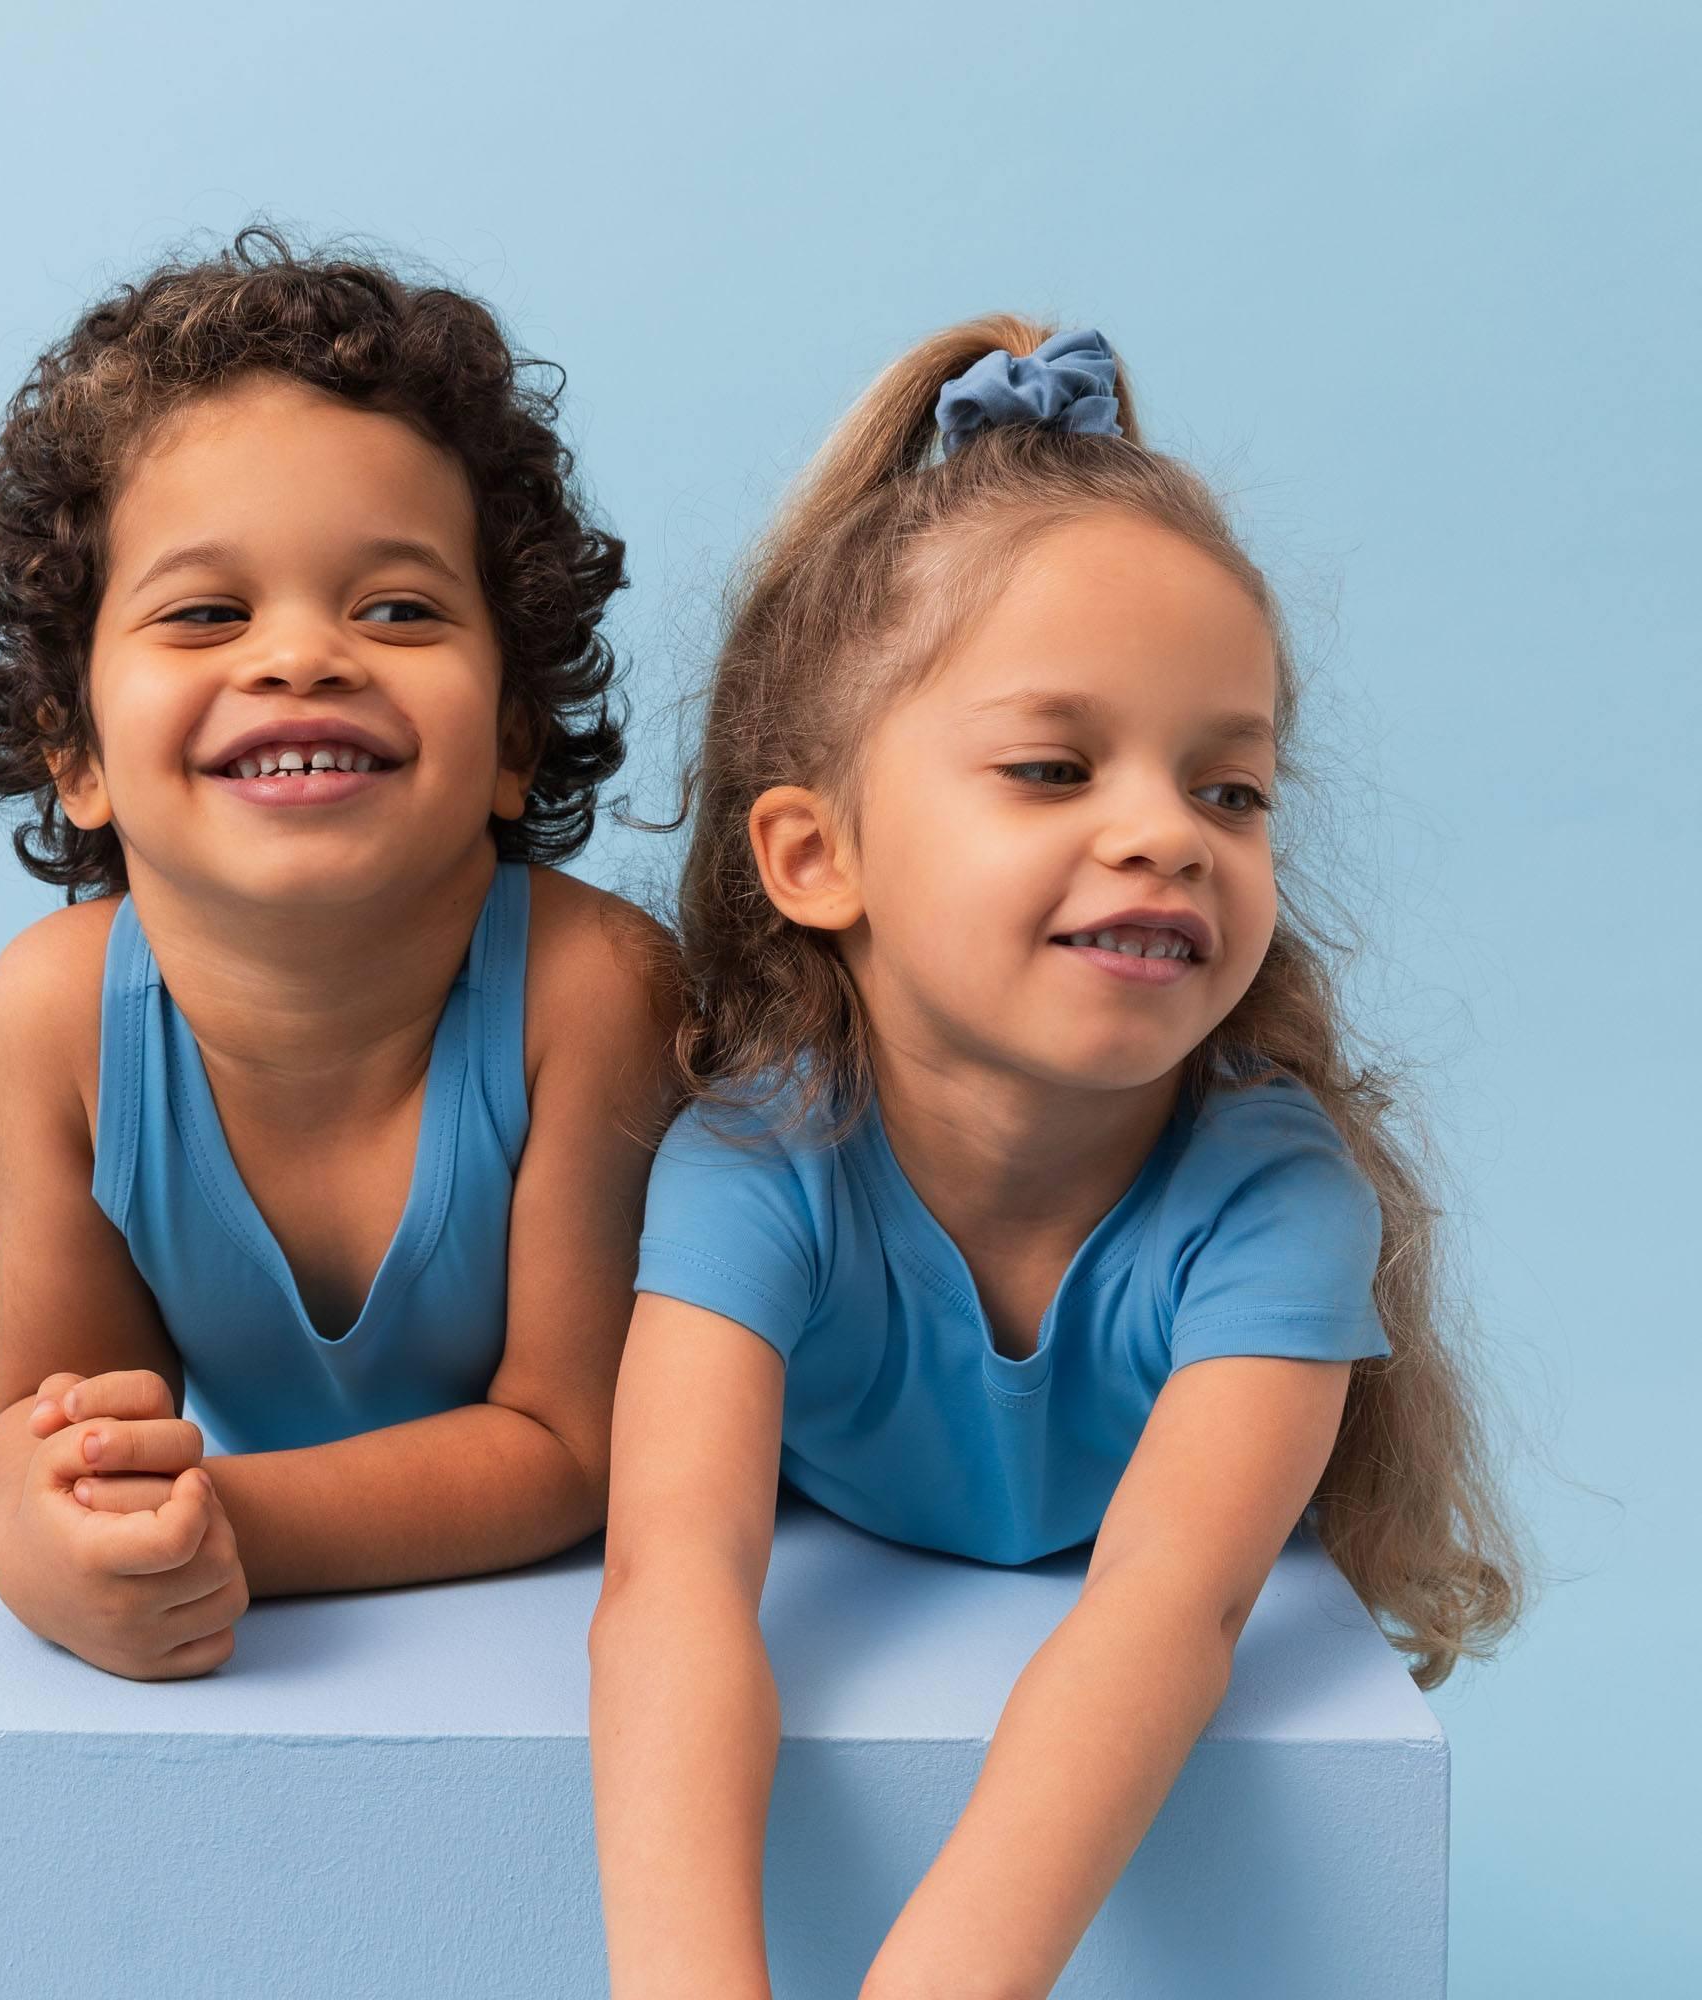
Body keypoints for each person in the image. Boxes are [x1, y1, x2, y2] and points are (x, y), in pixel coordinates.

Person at [588, 320, 1528, 1997]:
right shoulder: (755, 1162)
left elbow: (1162, 1618)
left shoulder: (1272, 1199)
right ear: (818, 853)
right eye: (1053, 768)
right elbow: (676, 1578)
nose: (1168, 830)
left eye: (1230, 790)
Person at [0, 227, 673, 1681]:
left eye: (396, 609)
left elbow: (571, 1446)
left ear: (514, 738)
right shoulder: (56, 1021)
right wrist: (47, 1529)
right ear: (74, 749)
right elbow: (63, 1414)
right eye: (207, 611)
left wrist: (218, 1526)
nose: (301, 657)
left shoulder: (596, 995)